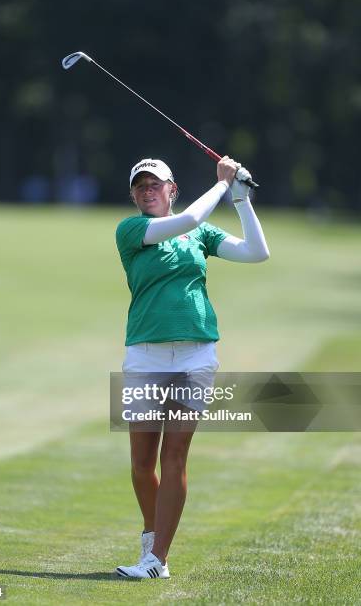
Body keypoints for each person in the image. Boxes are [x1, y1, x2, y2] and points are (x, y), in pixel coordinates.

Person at [114, 156, 269, 579]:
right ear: (133, 194)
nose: (148, 191)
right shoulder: (131, 231)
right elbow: (188, 220)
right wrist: (222, 184)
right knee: (142, 464)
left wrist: (241, 199)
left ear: (172, 188)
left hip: (196, 354)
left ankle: (157, 560)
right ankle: (152, 538)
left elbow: (257, 252)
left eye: (155, 185)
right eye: (141, 186)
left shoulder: (200, 233)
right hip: (145, 354)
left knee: (175, 457)